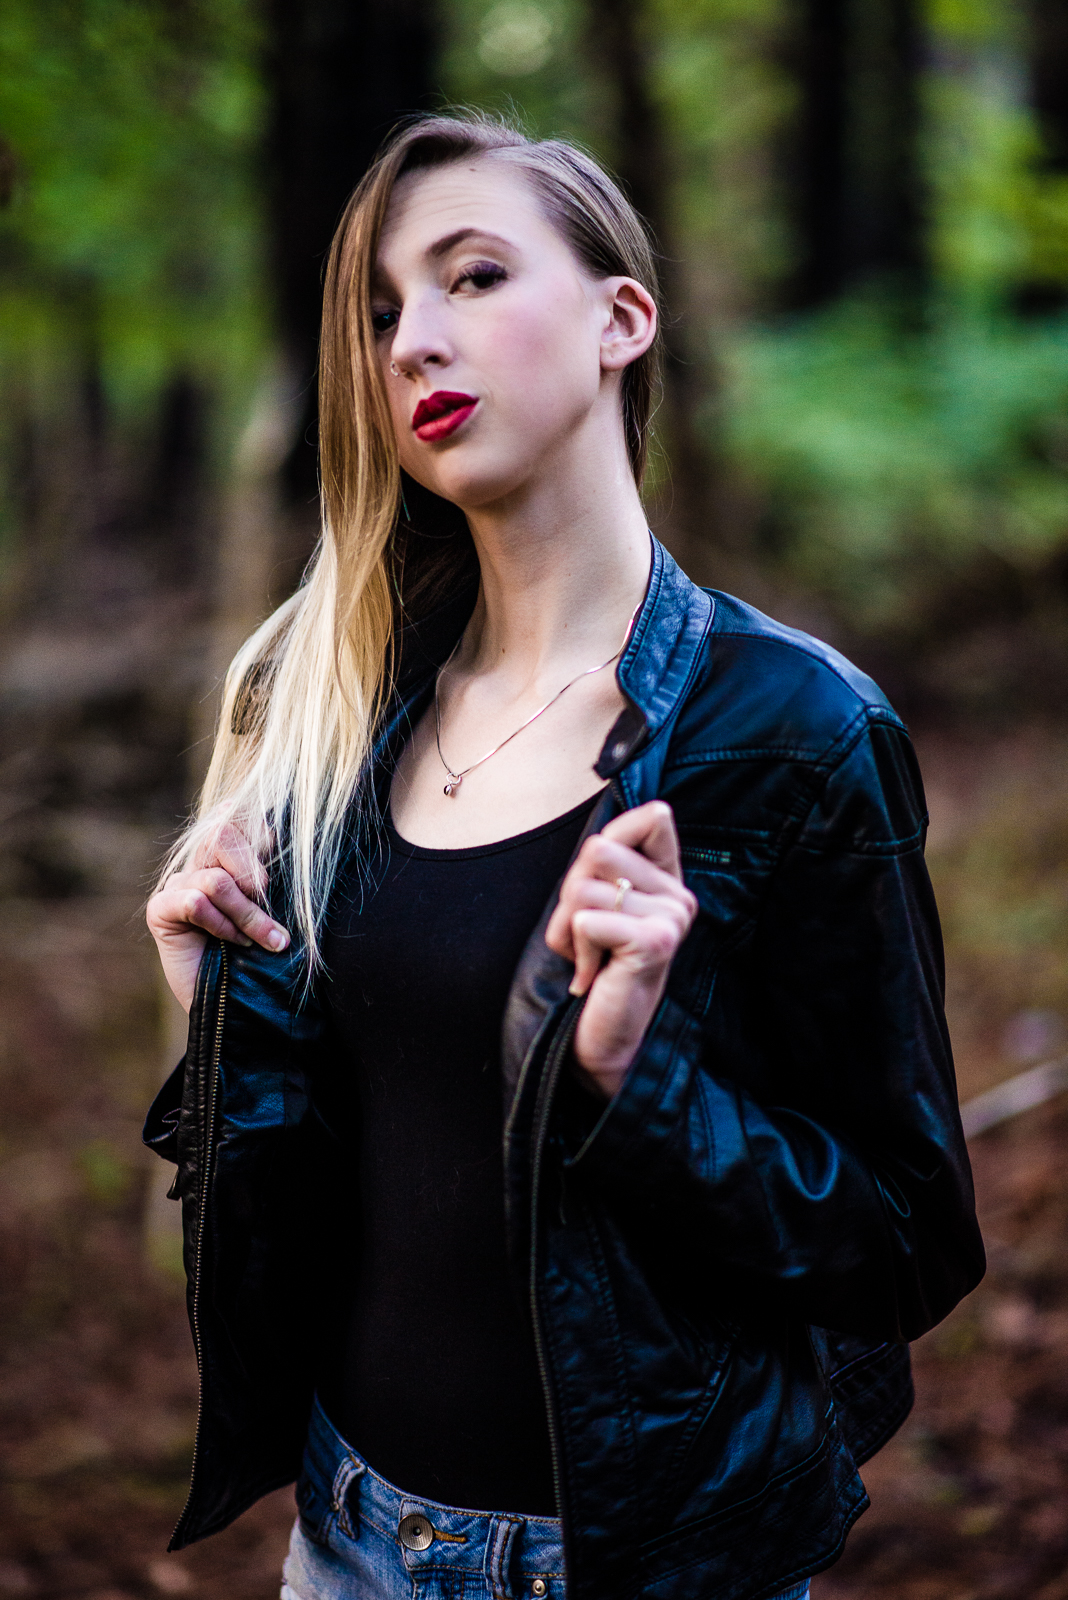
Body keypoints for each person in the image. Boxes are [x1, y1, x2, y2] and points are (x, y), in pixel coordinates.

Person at [144, 113, 984, 1600]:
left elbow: (905, 1241)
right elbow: (360, 1177)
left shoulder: (792, 730)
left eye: (473, 276)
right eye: (382, 313)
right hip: (349, 1543)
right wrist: (217, 1000)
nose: (414, 342)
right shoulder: (347, 722)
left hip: (645, 1567)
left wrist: (633, 1081)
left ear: (621, 320)